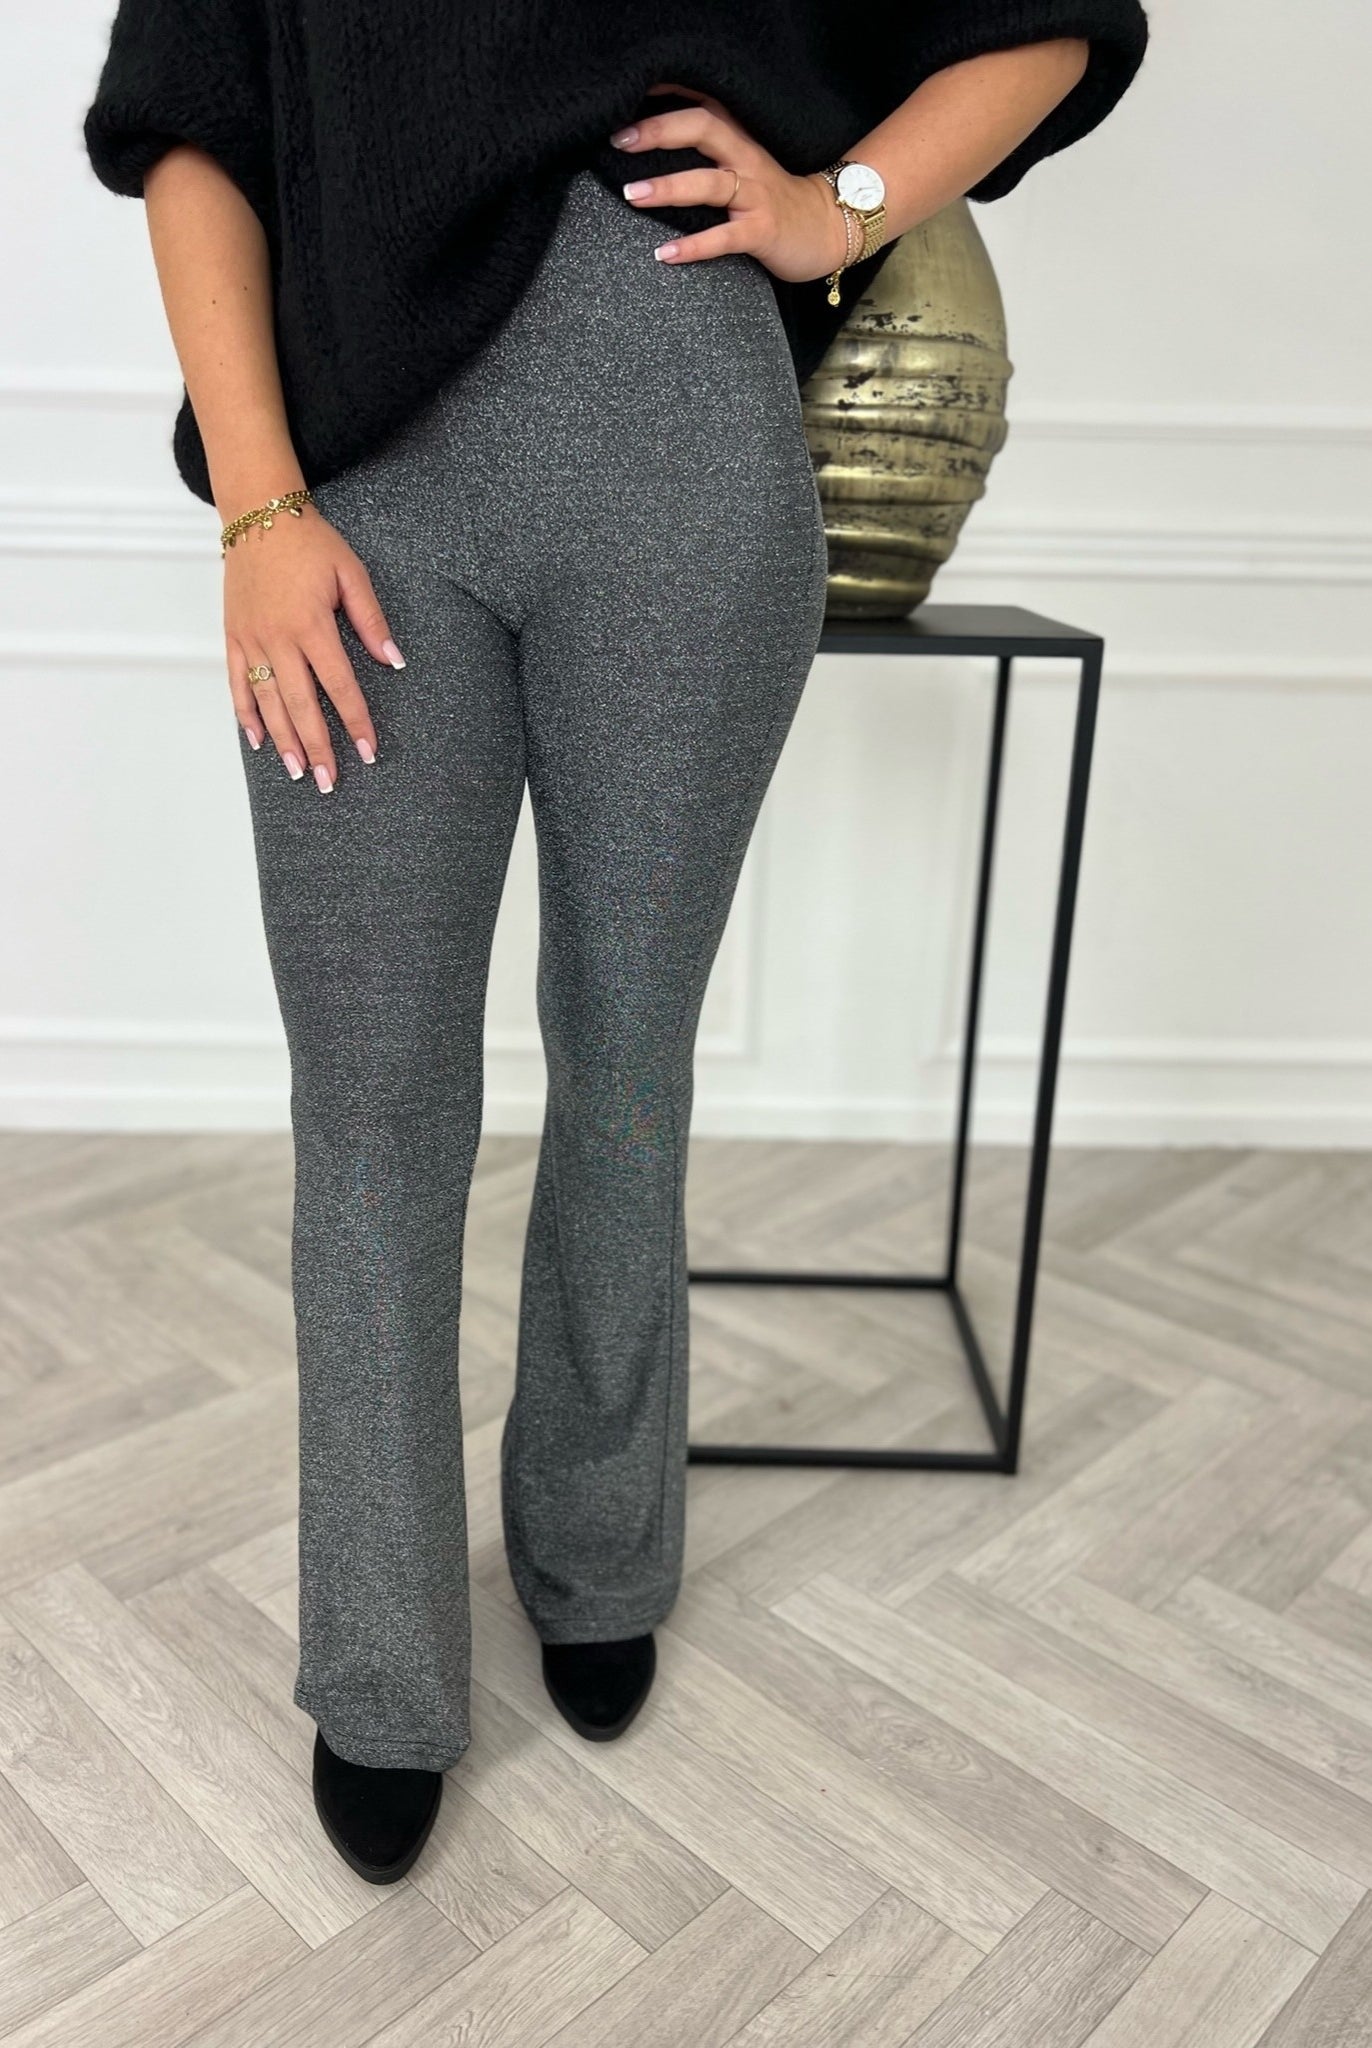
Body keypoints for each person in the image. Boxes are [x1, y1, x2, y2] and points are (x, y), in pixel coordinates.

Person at [82, 0, 1149, 1883]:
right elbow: (189, 124)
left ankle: (596, 1553)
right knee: (374, 1098)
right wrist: (256, 504)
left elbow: (1062, 21)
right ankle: (381, 1667)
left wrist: (838, 205)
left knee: (627, 1057)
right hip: (355, 486)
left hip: (684, 448)